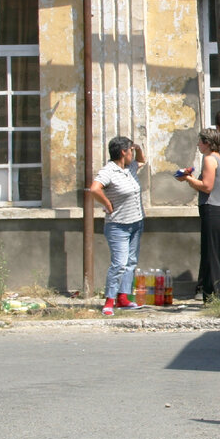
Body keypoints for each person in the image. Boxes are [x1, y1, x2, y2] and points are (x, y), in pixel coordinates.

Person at [88, 136, 146, 317]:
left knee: (131, 262)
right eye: (131, 151)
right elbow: (94, 188)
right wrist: (107, 203)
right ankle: (109, 301)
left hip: (136, 222)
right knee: (119, 264)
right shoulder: (109, 170)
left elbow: (142, 161)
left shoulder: (130, 169)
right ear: (123, 152)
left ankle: (123, 297)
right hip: (118, 225)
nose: (133, 154)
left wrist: (138, 148)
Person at [176, 127, 220, 302]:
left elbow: (207, 186)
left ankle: (214, 293)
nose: (198, 144)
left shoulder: (209, 160)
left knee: (211, 251)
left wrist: (187, 178)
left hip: (211, 207)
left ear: (206, 143)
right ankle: (219, 289)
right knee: (217, 251)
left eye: (200, 141)